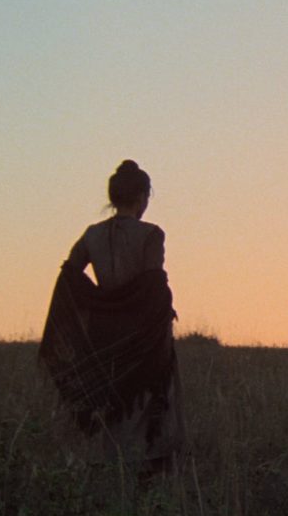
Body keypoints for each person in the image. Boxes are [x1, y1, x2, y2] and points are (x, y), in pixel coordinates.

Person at [38, 160, 184, 476]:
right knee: (149, 396)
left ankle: (111, 467)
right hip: (143, 332)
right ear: (142, 197)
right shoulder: (151, 234)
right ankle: (146, 469)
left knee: (110, 397)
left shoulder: (92, 235)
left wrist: (99, 301)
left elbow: (69, 275)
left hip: (102, 333)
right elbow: (154, 285)